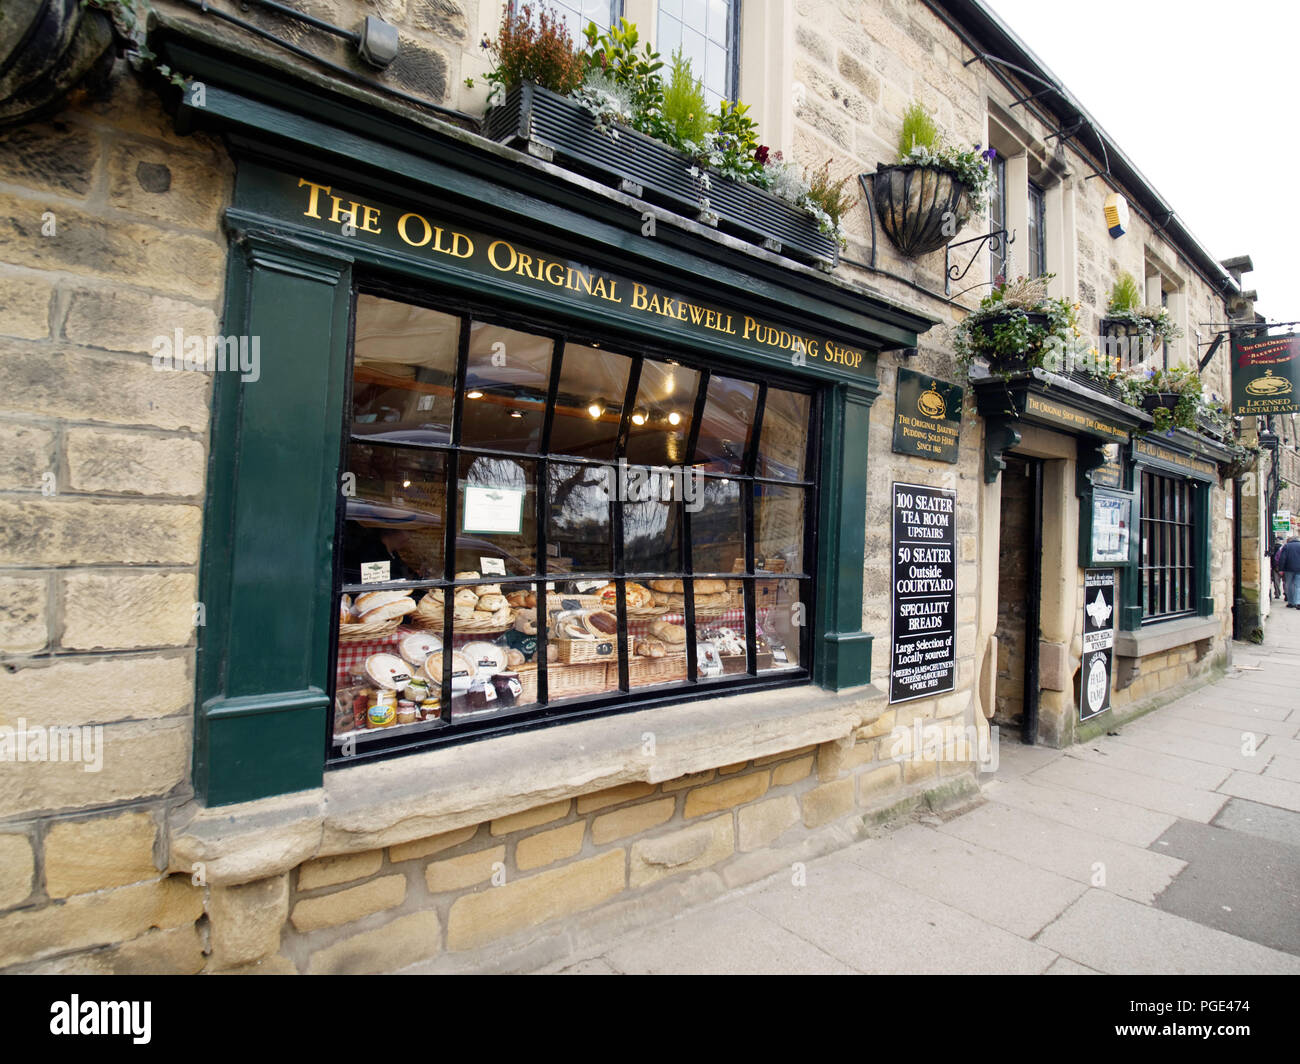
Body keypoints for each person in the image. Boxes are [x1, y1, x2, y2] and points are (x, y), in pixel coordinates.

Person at [1280, 533, 1300, 609]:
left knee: (1289, 585)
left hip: (1288, 569)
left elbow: (1282, 558)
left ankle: (1291, 602)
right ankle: (1298, 602)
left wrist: (1281, 569)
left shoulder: (1287, 546)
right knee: (1298, 586)